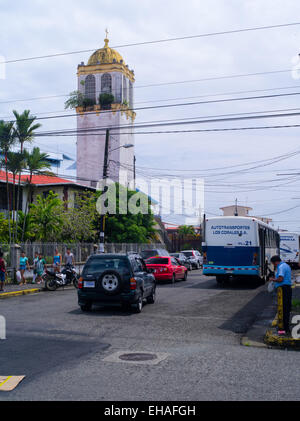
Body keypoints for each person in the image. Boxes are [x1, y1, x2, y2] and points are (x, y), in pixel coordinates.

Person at [269, 255, 292, 336]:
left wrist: (273, 279)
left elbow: (280, 279)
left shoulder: (281, 267)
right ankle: (286, 328)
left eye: (273, 263)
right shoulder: (286, 265)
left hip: (283, 289)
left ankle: (283, 329)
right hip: (288, 288)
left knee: (283, 309)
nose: (274, 265)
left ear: (275, 262)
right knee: (286, 308)